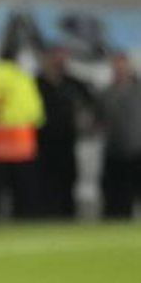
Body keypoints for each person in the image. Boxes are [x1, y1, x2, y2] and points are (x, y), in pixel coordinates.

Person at [0, 43, 44, 219]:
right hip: (22, 145)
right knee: (24, 195)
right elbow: (36, 113)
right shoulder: (23, 79)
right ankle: (23, 222)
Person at [35, 46, 94, 218]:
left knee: (67, 183)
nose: (58, 62)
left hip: (67, 143)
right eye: (54, 58)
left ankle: (67, 218)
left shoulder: (74, 84)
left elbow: (91, 106)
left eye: (62, 59)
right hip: (41, 144)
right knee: (43, 185)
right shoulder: (36, 83)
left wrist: (85, 120)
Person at [98, 53, 141, 218]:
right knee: (115, 199)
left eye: (123, 67)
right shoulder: (106, 94)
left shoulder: (138, 92)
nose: (120, 71)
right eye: (117, 67)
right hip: (114, 152)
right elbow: (98, 121)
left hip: (137, 152)